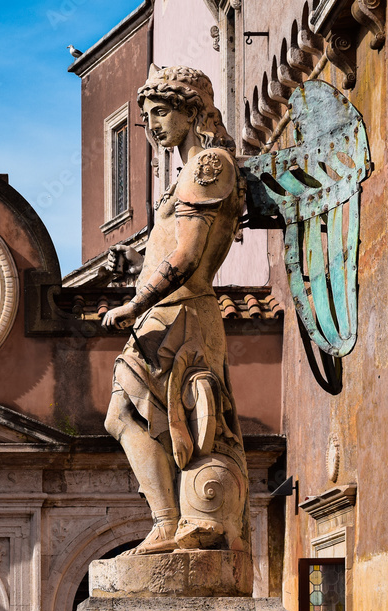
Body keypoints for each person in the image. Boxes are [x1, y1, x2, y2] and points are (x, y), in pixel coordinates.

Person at [102, 65, 248, 555]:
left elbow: (187, 255)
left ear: (192, 110)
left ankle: (177, 521)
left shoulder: (211, 165)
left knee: (147, 416)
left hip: (180, 314)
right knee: (136, 417)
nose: (153, 126)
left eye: (162, 112)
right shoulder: (186, 173)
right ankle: (172, 520)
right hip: (165, 314)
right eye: (147, 117)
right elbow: (169, 245)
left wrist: (135, 301)